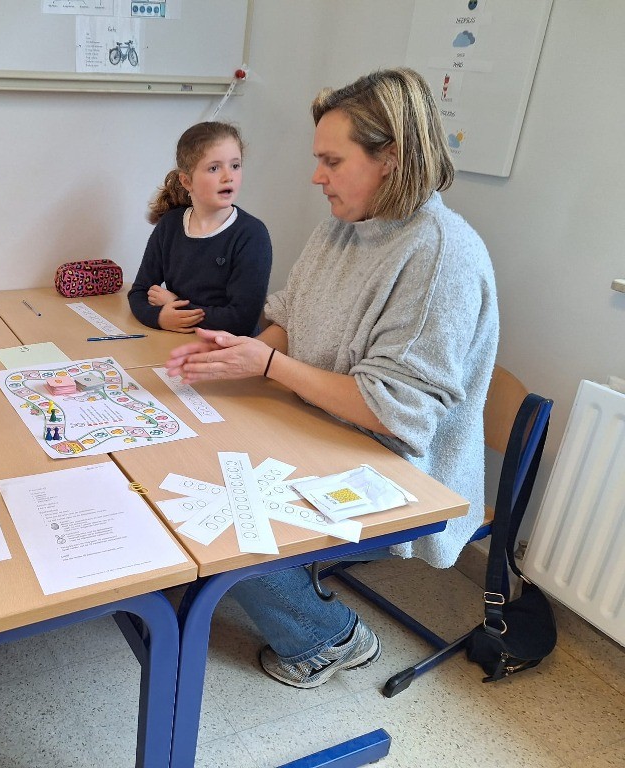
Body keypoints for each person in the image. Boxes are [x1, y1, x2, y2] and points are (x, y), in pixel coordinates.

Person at [165, 68, 498, 689]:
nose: (317, 176)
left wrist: (267, 365)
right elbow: (291, 317)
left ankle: (328, 640)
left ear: (391, 160)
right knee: (193, 451)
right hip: (320, 423)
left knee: (232, 517)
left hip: (399, 467)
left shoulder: (441, 255)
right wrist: (240, 354)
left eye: (332, 161)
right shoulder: (345, 224)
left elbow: (394, 412)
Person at [127, 121, 272, 336]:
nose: (228, 176)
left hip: (229, 349)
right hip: (177, 341)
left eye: (235, 165)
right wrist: (160, 318)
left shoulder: (252, 235)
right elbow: (139, 293)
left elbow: (241, 321)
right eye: (214, 168)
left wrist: (178, 306)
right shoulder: (170, 225)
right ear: (187, 181)